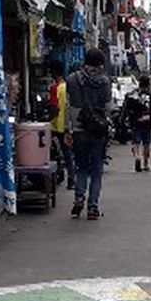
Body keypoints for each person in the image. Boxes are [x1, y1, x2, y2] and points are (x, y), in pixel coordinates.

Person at [65, 49, 112, 220]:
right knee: (97, 169)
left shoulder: (71, 79)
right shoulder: (104, 82)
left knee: (81, 167)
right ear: (100, 64)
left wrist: (67, 129)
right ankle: (92, 207)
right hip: (98, 130)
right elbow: (109, 108)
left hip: (78, 129)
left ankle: (78, 197)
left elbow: (67, 106)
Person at [124, 75, 151, 172]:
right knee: (146, 144)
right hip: (147, 123)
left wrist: (126, 121)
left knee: (136, 143)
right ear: (148, 84)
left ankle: (137, 156)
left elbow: (127, 110)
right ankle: (145, 163)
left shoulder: (132, 95)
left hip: (135, 123)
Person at [48, 61, 74, 189]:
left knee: (52, 152)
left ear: (53, 73)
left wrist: (46, 119)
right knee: (68, 153)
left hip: (56, 126)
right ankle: (71, 179)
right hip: (67, 126)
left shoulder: (55, 88)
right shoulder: (67, 86)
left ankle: (57, 175)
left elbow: (54, 108)